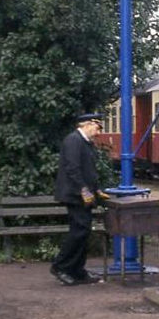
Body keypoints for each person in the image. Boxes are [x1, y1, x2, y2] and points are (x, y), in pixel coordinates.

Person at [52, 112, 109, 286]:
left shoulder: (85, 143)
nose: (98, 132)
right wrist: (84, 190)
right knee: (78, 232)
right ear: (86, 124)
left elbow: (87, 170)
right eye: (97, 127)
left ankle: (77, 270)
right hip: (74, 195)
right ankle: (60, 267)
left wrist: (95, 189)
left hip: (82, 195)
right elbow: (73, 169)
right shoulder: (73, 141)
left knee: (83, 232)